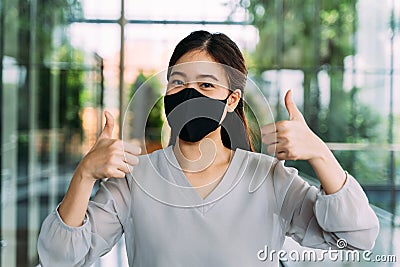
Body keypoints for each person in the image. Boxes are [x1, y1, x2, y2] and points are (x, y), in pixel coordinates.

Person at [37, 30, 379, 267]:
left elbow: (357, 237)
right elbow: (59, 258)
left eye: (206, 85)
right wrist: (84, 174)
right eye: (178, 83)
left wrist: (320, 154)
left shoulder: (269, 177)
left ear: (231, 100)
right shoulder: (134, 179)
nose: (189, 95)